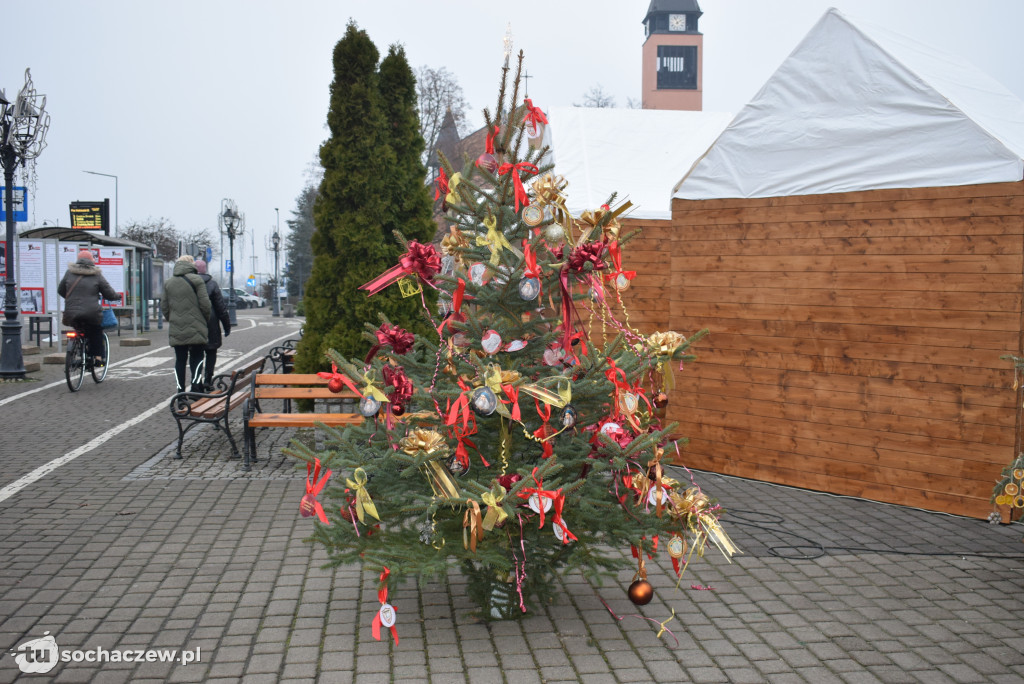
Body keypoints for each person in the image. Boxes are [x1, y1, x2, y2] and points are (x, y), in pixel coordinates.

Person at [57, 250, 118, 367]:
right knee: (96, 331)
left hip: (71, 313)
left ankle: (77, 349)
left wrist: (71, 299)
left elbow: (60, 290)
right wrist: (117, 296)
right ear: (92, 261)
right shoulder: (96, 275)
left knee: (79, 328)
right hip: (91, 313)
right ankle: (98, 358)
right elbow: (109, 293)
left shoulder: (69, 273)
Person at [161, 255, 212, 394]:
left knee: (180, 360)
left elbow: (164, 306)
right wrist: (204, 320)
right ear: (192, 265)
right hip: (196, 325)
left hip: (177, 326)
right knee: (197, 357)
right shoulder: (197, 280)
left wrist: (173, 318)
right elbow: (206, 305)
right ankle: (195, 387)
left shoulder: (168, 283)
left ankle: (180, 392)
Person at [193, 259, 231, 392]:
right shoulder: (212, 284)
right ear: (205, 270)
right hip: (211, 322)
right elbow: (221, 307)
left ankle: (196, 381)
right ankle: (208, 380)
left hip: (195, 323)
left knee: (196, 353)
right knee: (211, 351)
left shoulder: (189, 283)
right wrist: (227, 326)